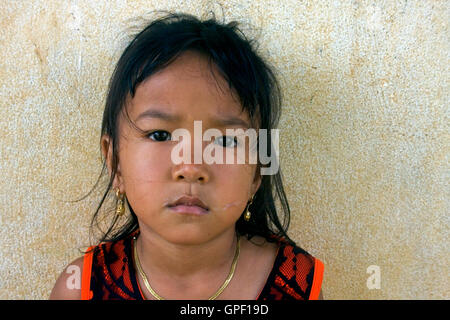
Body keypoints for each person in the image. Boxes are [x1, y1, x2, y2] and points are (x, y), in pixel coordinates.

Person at [50, 12, 324, 300]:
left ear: (257, 172)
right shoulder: (81, 288)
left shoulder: (297, 285)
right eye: (160, 135)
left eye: (225, 140)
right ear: (115, 163)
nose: (191, 167)